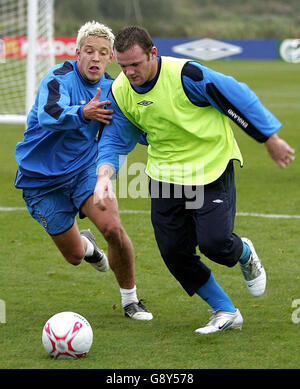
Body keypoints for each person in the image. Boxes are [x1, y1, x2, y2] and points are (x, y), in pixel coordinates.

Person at [93, 26, 295, 334]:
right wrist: (104, 173)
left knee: (215, 243)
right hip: (165, 175)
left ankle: (243, 252)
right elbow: (116, 136)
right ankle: (225, 311)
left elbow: (235, 94)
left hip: (210, 168)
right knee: (174, 252)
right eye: (123, 66)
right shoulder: (120, 90)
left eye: (135, 64)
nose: (130, 72)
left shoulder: (187, 75)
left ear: (153, 54)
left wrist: (270, 137)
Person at [14, 21, 153, 321]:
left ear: (110, 58)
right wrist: (82, 112)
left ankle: (130, 300)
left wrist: (157, 135)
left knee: (113, 228)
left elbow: (133, 124)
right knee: (74, 256)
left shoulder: (115, 89)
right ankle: (89, 247)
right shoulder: (58, 79)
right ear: (77, 53)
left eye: (102, 53)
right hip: (40, 180)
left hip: (84, 170)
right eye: (89, 51)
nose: (95, 58)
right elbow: (48, 114)